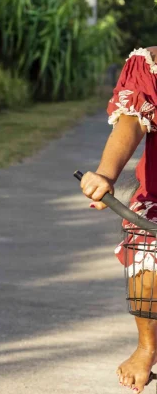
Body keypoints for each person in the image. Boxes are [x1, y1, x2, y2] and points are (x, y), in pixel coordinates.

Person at [80, 47, 157, 393]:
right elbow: (132, 119)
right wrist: (106, 174)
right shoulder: (151, 63)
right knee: (145, 253)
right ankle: (147, 347)